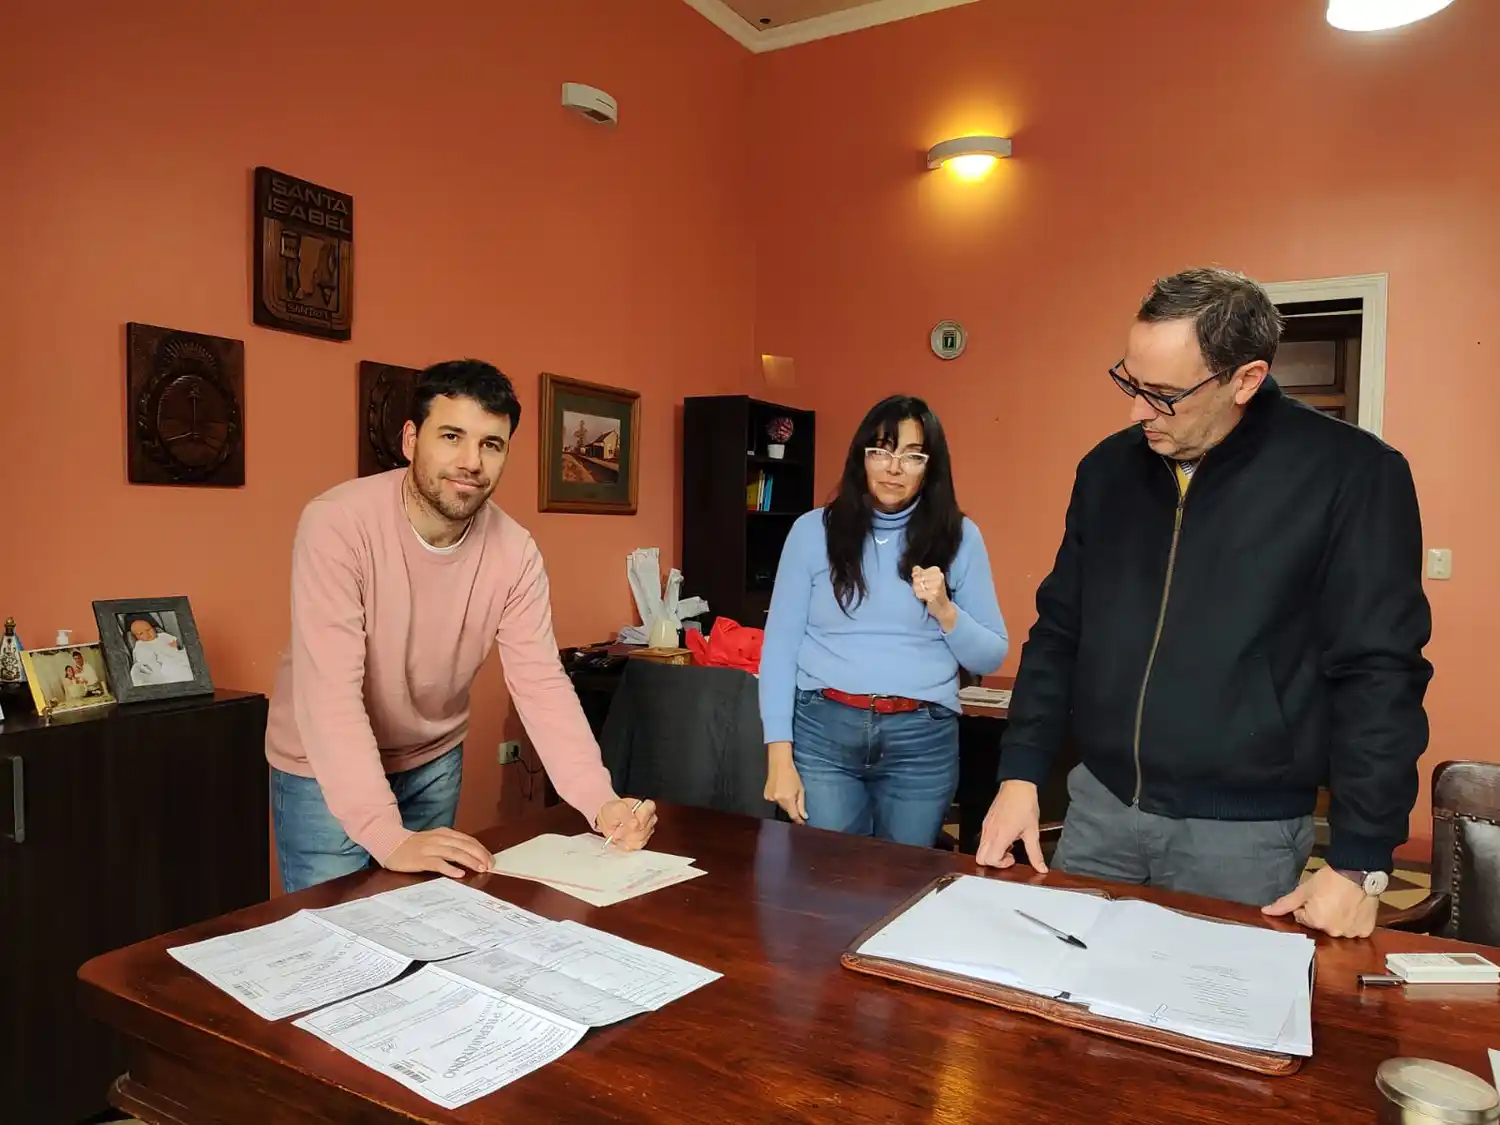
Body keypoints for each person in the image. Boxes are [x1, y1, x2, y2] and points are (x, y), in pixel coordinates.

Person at [976, 267, 1432, 939]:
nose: (1137, 411)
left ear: (1245, 380)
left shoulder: (1353, 474)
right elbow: (1059, 631)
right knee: (1061, 1025)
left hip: (1241, 838)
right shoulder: (1106, 471)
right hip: (1099, 810)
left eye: (1162, 394)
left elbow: (1380, 673)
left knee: (1216, 1027)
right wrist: (1019, 773)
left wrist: (1361, 858)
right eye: (1129, 383)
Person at [265, 359, 657, 893]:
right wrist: (385, 832)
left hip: (432, 759)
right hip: (321, 769)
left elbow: (541, 684)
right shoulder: (336, 524)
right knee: (332, 946)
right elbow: (329, 690)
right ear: (411, 439)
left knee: (427, 934)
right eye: (452, 436)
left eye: (491, 445)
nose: (471, 461)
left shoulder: (515, 552)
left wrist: (599, 800)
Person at [760, 395, 1009, 846]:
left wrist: (946, 611)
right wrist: (779, 754)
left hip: (922, 737)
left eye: (912, 456)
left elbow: (990, 655)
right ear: (862, 458)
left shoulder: (960, 537)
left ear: (930, 467)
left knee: (906, 884)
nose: (894, 468)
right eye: (881, 451)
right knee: (828, 879)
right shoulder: (812, 531)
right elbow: (778, 647)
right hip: (823, 730)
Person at [124, 616, 194, 685]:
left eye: (148, 630)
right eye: (141, 633)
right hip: (163, 663)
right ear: (136, 637)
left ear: (153, 628)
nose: (147, 634)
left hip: (175, 655)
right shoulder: (141, 645)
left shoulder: (163, 636)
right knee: (172, 668)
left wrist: (176, 645)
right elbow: (144, 660)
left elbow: (176, 643)